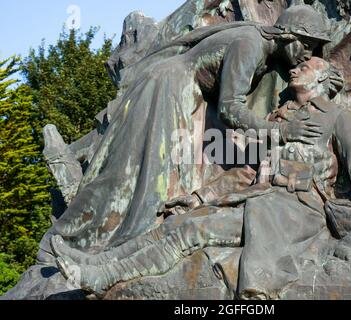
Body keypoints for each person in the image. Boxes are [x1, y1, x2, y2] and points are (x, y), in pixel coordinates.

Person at [53, 57, 351, 298]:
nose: (294, 68)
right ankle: (98, 260)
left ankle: (102, 278)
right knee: (175, 223)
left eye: (304, 67)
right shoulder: (280, 119)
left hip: (295, 212)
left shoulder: (336, 118)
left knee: (192, 229)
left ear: (321, 78)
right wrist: (201, 197)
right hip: (261, 200)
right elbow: (250, 171)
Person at [41, 6, 333, 257]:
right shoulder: (250, 45)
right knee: (141, 175)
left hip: (185, 93)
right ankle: (74, 236)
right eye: (306, 45)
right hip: (171, 89)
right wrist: (280, 132)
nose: (308, 54)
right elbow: (230, 108)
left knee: (154, 173)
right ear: (287, 36)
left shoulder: (259, 43)